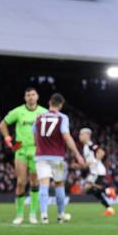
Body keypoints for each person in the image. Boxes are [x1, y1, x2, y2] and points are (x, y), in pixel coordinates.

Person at [34, 93, 85, 223]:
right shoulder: (62, 118)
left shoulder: (39, 117)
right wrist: (77, 154)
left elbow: (35, 137)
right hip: (57, 157)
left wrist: (40, 149)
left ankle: (44, 215)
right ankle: (60, 214)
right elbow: (66, 136)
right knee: (59, 184)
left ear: (49, 102)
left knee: (43, 185)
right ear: (61, 105)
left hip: (41, 156)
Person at [0, 87, 47, 225]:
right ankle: (19, 215)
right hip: (20, 148)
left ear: (37, 97)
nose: (31, 97)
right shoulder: (18, 111)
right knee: (21, 182)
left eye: (33, 94)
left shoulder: (43, 112)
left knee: (35, 182)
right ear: (25, 98)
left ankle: (32, 214)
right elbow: (3, 124)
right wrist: (8, 138)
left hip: (37, 150)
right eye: (28, 95)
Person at [79, 127, 116, 216]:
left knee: (87, 188)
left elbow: (101, 152)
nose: (79, 137)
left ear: (87, 135)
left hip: (97, 171)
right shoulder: (85, 147)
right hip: (94, 171)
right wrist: (83, 165)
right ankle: (109, 208)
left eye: (81, 134)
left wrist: (94, 162)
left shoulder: (90, 144)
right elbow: (91, 161)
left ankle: (108, 191)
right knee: (93, 191)